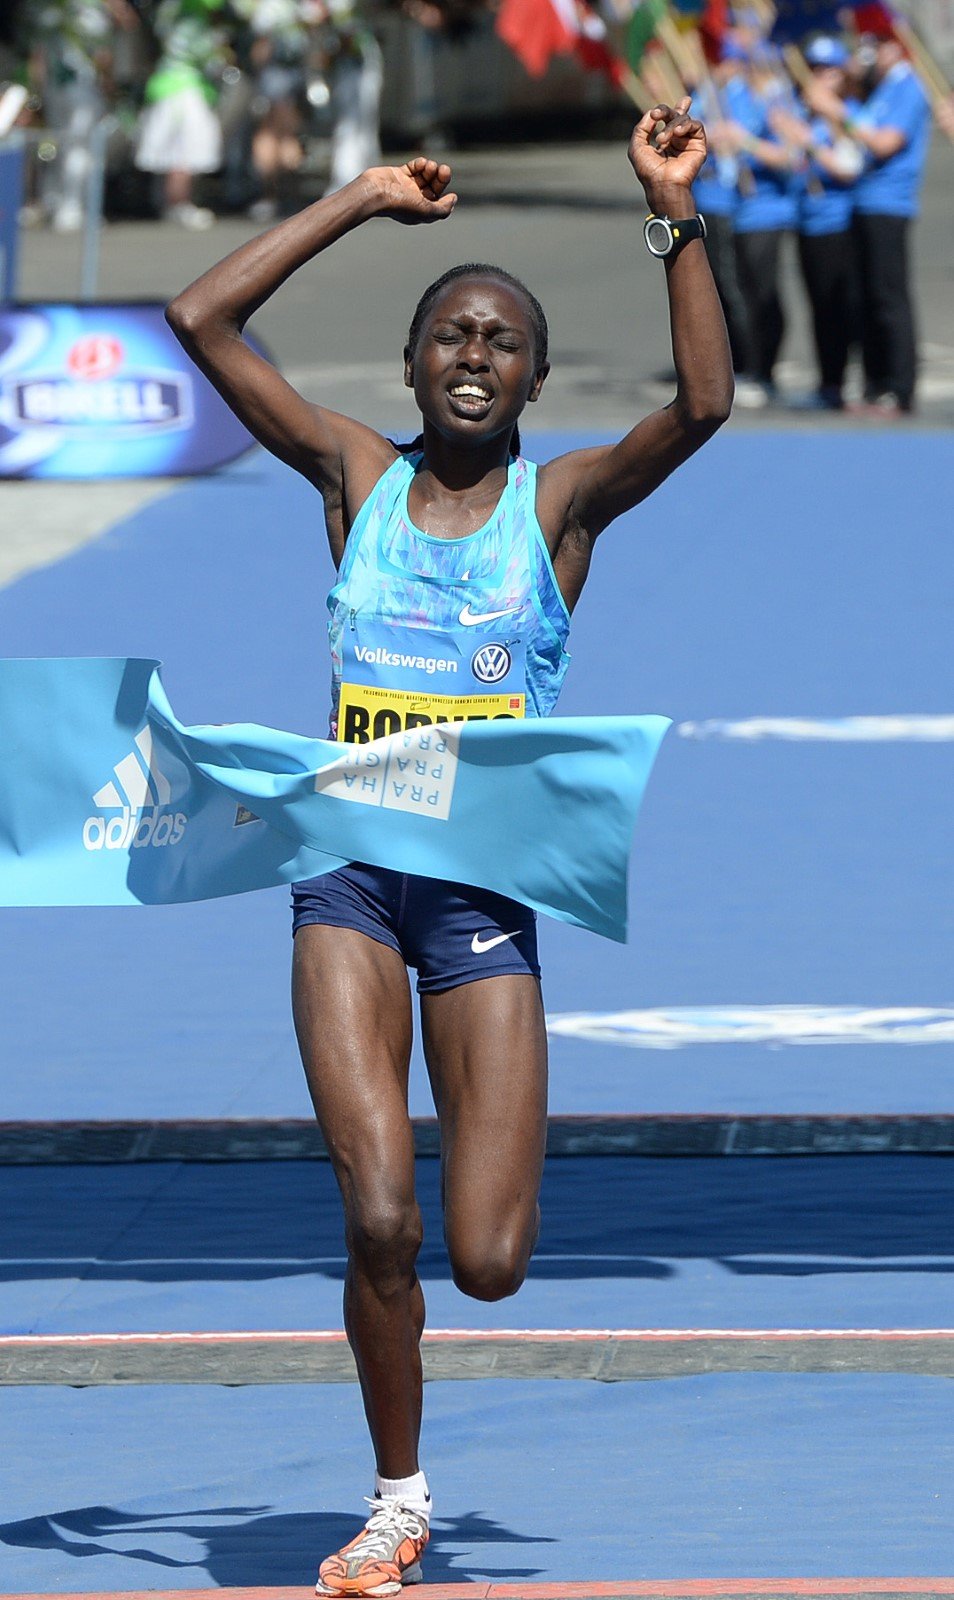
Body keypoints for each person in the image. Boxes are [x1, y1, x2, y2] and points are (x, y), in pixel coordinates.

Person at [165, 105, 732, 1597]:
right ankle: (396, 1503)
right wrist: (355, 195)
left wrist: (669, 214)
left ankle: (467, 1286)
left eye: (499, 340)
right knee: (375, 1215)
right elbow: (198, 315)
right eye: (448, 336)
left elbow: (704, 404)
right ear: (413, 365)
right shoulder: (352, 476)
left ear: (534, 377)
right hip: (345, 872)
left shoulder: (558, 511)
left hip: (484, 894)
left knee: (482, 1258)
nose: (472, 355)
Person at [804, 30, 931, 415]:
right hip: (862, 201)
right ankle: (876, 383)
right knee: (864, 298)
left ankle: (900, 385)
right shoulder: (878, 90)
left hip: (888, 204)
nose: (869, 54)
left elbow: (883, 143)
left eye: (876, 46)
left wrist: (835, 110)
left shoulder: (909, 87)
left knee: (889, 296)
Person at [770, 35, 862, 409]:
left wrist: (810, 141)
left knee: (841, 306)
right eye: (814, 70)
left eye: (827, 70)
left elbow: (848, 167)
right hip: (806, 222)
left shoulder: (848, 113)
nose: (820, 77)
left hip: (839, 224)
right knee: (818, 307)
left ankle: (843, 380)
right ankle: (827, 381)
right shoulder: (801, 113)